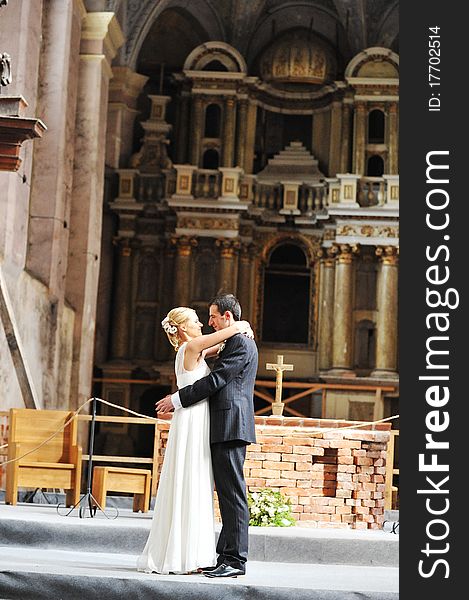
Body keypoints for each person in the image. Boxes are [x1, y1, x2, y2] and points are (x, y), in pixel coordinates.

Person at [137, 305, 253, 575]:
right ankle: (184, 555)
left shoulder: (196, 348)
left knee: (196, 482)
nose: (202, 324)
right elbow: (228, 334)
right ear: (182, 328)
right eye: (196, 322)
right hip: (191, 419)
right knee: (189, 480)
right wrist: (241, 325)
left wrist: (237, 330)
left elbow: (221, 346)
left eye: (207, 319)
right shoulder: (190, 348)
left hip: (199, 418)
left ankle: (193, 553)